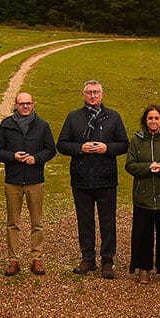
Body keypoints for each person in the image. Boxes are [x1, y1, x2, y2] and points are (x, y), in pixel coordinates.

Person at [57, 80, 129, 279]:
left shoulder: (113, 117)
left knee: (108, 221)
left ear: (102, 94)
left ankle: (107, 260)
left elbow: (124, 144)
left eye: (96, 92)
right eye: (89, 92)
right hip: (81, 177)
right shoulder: (74, 117)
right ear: (83, 95)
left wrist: (107, 148)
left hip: (106, 177)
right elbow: (61, 144)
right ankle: (87, 258)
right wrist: (80, 148)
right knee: (85, 220)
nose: (92, 96)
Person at [0, 92, 56, 276]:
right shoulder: (6, 125)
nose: (26, 107)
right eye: (22, 104)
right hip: (13, 181)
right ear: (16, 105)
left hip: (35, 180)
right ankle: (14, 260)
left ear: (33, 105)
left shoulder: (42, 125)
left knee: (37, 222)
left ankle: (37, 258)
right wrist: (12, 156)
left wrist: (36, 159)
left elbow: (51, 150)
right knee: (13, 222)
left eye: (28, 103)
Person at [125, 105, 160, 284]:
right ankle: (144, 269)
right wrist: (148, 168)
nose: (153, 122)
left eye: (156, 118)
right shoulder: (136, 140)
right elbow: (130, 165)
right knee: (144, 233)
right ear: (145, 120)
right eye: (150, 118)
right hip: (144, 195)